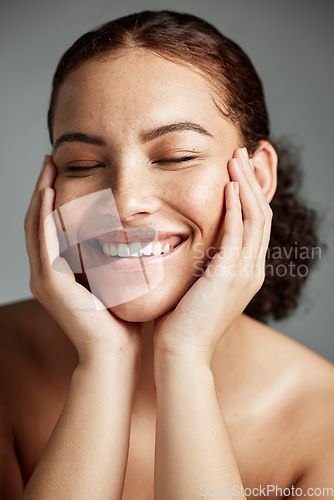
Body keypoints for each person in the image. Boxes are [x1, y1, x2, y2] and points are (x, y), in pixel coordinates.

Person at [0, 10, 333, 499]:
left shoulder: (323, 422)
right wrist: (103, 363)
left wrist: (184, 358)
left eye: (175, 157)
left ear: (257, 179)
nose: (125, 201)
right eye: (83, 164)